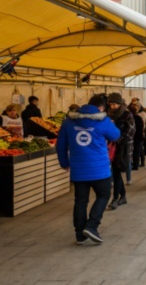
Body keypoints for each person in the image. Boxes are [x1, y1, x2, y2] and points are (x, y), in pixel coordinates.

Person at [56, 94, 120, 245]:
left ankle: (80, 234)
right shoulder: (103, 120)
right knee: (104, 195)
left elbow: (61, 145)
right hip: (99, 169)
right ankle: (92, 225)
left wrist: (64, 162)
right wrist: (111, 123)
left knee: (80, 201)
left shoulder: (68, 122)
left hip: (79, 169)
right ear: (101, 108)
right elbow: (116, 136)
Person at [106, 93, 134, 209]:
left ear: (119, 104)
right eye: (111, 104)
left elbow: (131, 131)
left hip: (123, 148)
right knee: (116, 172)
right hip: (111, 147)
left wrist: (117, 137)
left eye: (114, 104)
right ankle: (122, 196)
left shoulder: (127, 115)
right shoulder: (108, 115)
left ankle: (115, 198)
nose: (112, 107)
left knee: (116, 171)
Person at [129, 102, 146, 171]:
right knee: (138, 150)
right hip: (139, 136)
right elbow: (141, 127)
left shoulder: (131, 118)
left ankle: (135, 165)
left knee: (135, 151)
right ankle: (139, 163)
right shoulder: (139, 118)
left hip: (135, 137)